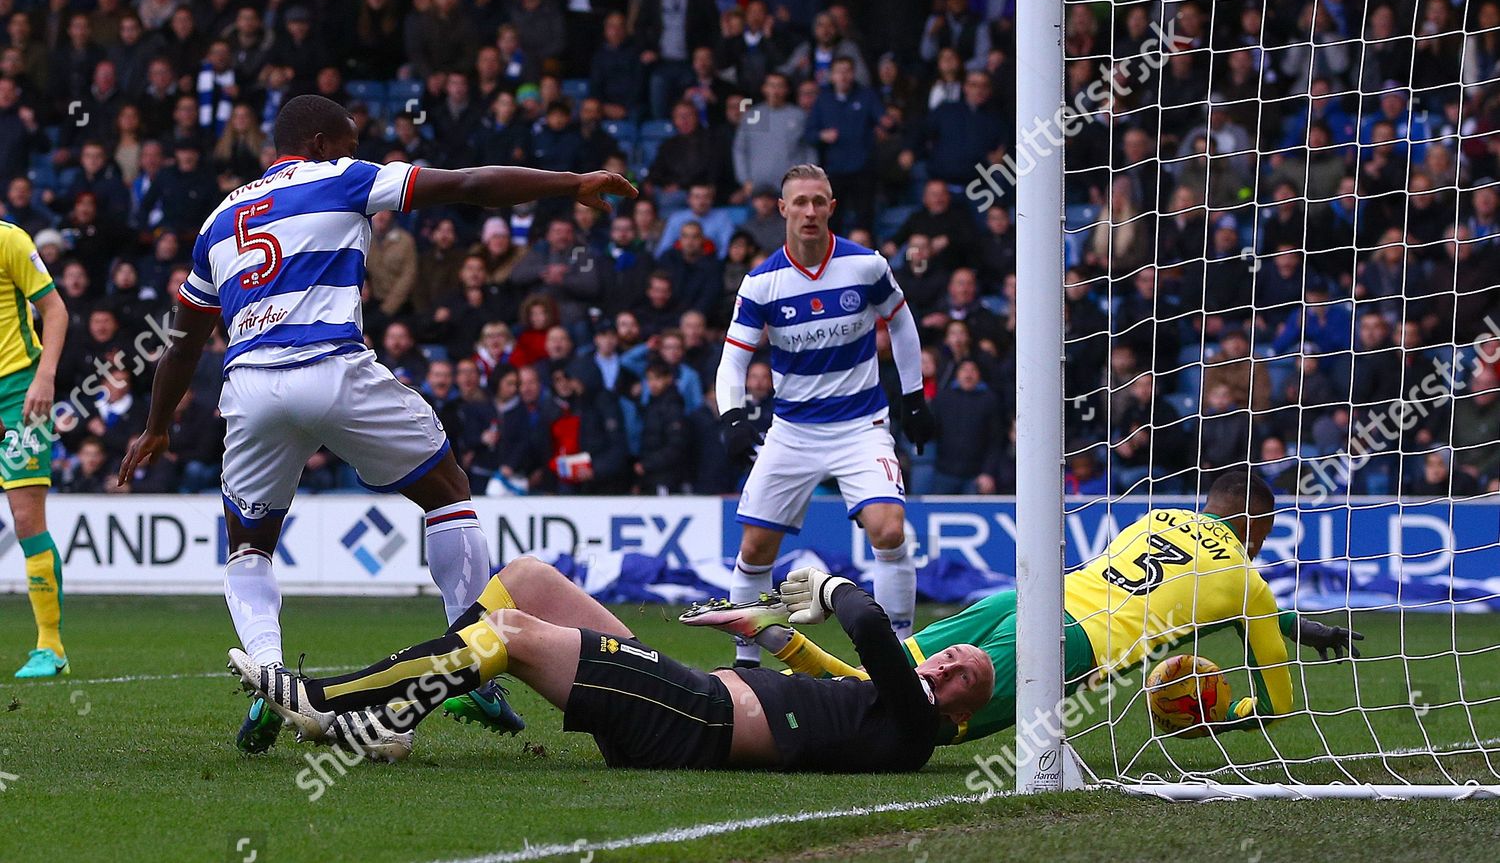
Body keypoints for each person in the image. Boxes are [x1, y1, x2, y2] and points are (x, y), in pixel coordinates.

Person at [117, 94, 636, 751]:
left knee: (249, 546)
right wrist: (571, 182)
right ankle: (471, 656)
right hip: (332, 365)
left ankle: (271, 676)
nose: (354, 150)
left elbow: (187, 338)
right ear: (319, 140)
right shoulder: (346, 177)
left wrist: (157, 423)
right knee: (448, 493)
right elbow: (470, 184)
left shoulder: (217, 219)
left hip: (248, 388)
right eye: (348, 140)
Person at [691, 470, 1365, 744]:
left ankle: (769, 645)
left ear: (1206, 506)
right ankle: (776, 640)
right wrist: (1227, 714)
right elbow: (1275, 701)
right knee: (909, 722)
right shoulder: (1247, 581)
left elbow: (1192, 593)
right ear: (1262, 534)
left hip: (1029, 598)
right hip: (1071, 645)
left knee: (891, 672)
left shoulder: (1156, 516)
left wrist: (1302, 627)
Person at [228, 556, 993, 771]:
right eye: (953, 654)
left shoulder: (920, 726)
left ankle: (334, 699)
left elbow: (865, 624)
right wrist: (766, 628)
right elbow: (838, 672)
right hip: (688, 699)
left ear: (959, 710)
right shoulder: (883, 708)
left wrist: (824, 583)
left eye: (963, 674)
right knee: (528, 579)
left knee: (515, 631)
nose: (948, 663)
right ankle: (391, 717)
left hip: (693, 718)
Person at [716, 163, 933, 666]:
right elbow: (733, 358)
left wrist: (915, 397)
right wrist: (731, 415)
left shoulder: (866, 266)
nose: (810, 211)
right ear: (783, 209)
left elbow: (902, 324)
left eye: (820, 201)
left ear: (831, 207)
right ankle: (746, 666)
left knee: (889, 528)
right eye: (801, 202)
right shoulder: (761, 283)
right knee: (754, 548)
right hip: (792, 430)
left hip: (862, 426)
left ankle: (900, 656)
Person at [0, 220, 69, 678]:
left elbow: (55, 310)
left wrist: (44, 377)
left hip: (18, 387)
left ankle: (51, 647)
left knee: (26, 518)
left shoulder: (9, 239)